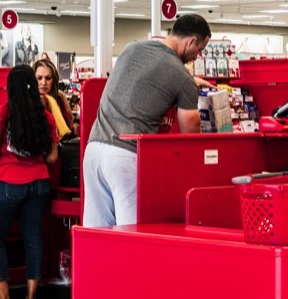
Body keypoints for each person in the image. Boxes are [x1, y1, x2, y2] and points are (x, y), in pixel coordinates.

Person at [83, 14, 211, 227]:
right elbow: (190, 131)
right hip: (125, 156)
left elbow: (144, 80)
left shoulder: (131, 49)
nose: (197, 56)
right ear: (191, 41)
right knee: (131, 235)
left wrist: (188, 83)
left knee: (97, 235)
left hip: (94, 149)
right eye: (200, 50)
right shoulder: (182, 77)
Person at [0, 64, 58, 299]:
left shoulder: (2, 114)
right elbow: (52, 158)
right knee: (33, 239)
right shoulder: (45, 117)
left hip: (8, 184)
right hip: (39, 184)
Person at [32, 58, 74, 138]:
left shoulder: (60, 97)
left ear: (54, 80)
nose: (43, 83)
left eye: (48, 78)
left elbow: (70, 125)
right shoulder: (29, 101)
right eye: (39, 78)